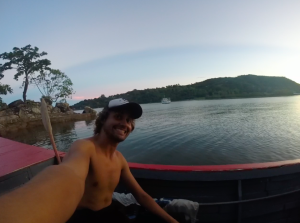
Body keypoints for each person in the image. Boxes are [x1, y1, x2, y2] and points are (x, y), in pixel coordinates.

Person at [64, 98, 178, 223]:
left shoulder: (119, 159)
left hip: (110, 211)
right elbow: (70, 173)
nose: (124, 124)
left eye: (128, 120)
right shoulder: (84, 147)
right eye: (118, 117)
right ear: (103, 119)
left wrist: (172, 221)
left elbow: (141, 195)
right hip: (84, 217)